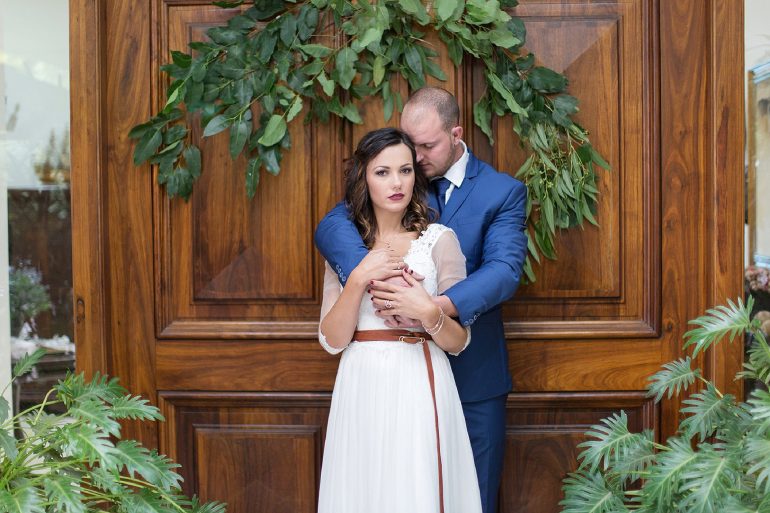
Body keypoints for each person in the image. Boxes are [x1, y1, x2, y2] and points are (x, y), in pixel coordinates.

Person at [315, 87, 528, 513]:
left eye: (426, 147)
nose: (413, 160)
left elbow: (504, 271)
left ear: (456, 135)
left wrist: (430, 307)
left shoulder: (501, 192)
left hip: (472, 374)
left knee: (468, 496)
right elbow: (333, 225)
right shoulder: (396, 182)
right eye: (408, 149)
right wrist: (370, 277)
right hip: (377, 379)